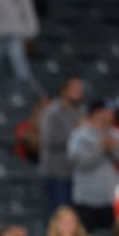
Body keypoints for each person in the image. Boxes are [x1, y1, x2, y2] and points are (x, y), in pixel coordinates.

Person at [68, 100, 119, 234]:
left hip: (112, 198)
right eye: (105, 111)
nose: (109, 115)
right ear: (95, 113)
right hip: (87, 199)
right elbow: (78, 164)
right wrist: (100, 147)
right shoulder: (80, 135)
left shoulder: (117, 134)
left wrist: (113, 148)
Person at [39, 76, 84, 217]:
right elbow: (50, 140)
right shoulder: (52, 112)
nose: (79, 92)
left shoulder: (80, 111)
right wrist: (76, 132)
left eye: (80, 89)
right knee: (60, 216)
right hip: (57, 173)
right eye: (75, 89)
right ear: (64, 91)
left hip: (76, 173)